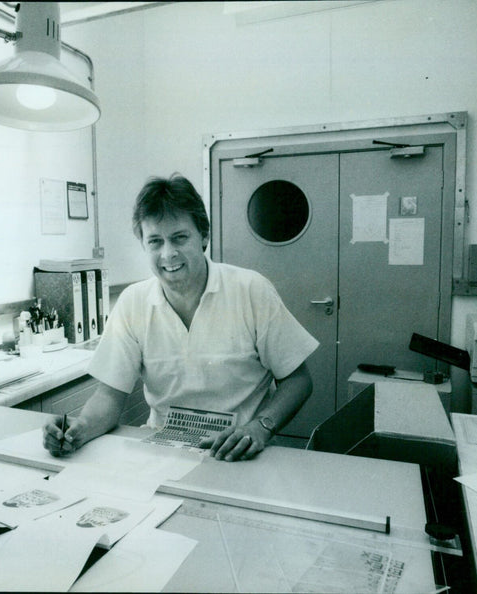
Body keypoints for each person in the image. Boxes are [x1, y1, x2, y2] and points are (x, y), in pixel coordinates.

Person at [43, 174, 319, 462]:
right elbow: (110, 396)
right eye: (155, 241)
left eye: (179, 238)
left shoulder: (251, 290)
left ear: (203, 236)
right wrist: (80, 428)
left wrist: (260, 427)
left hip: (239, 450)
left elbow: (298, 381)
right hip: (163, 450)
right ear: (144, 245)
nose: (168, 254)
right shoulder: (132, 303)